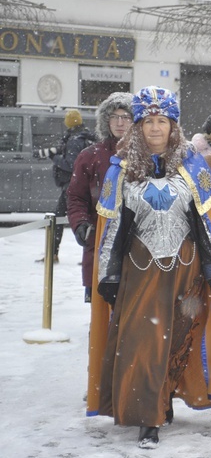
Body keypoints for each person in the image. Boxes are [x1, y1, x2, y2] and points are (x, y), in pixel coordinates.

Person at [90, 86, 211, 449]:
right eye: (148, 121)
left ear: (174, 126)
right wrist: (108, 273)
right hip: (140, 270)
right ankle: (146, 417)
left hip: (187, 268)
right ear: (138, 126)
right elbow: (113, 227)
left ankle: (163, 397)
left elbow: (206, 221)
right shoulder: (120, 169)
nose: (155, 128)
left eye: (162, 121)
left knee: (177, 341)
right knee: (144, 341)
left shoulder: (193, 164)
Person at [66, 93, 133, 303]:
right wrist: (80, 224)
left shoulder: (148, 155)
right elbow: (76, 197)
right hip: (100, 243)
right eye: (114, 116)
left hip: (138, 248)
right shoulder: (90, 156)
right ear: (106, 120)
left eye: (126, 116)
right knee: (101, 315)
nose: (120, 122)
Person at [34, 109, 96, 263]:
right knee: (87, 218)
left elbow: (71, 164)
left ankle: (53, 254)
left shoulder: (75, 139)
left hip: (72, 185)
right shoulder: (85, 135)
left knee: (56, 219)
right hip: (84, 184)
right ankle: (90, 254)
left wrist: (54, 157)